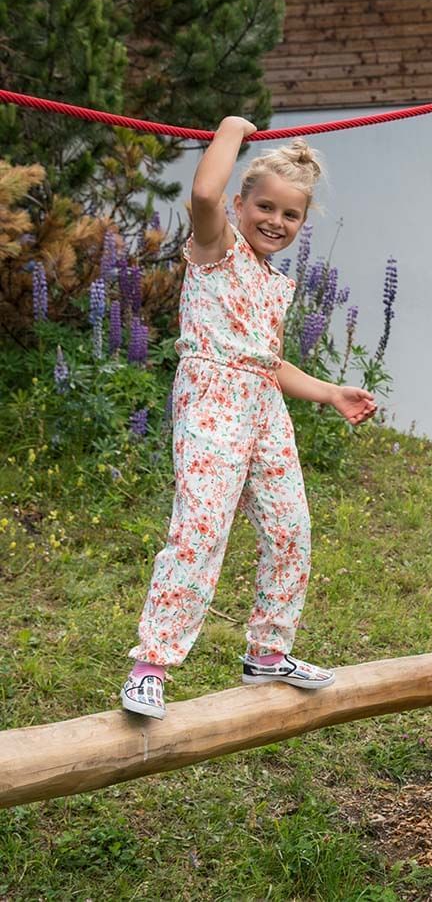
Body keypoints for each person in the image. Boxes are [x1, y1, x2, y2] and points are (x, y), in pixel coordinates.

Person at [120, 117, 377, 720]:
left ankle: (268, 651)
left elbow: (270, 363)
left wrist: (329, 392)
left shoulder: (274, 283)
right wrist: (232, 130)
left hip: (263, 408)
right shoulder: (217, 251)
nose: (276, 222)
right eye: (264, 206)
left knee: (291, 530)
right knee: (202, 531)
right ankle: (152, 664)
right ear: (241, 203)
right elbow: (203, 193)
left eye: (290, 216)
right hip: (211, 401)